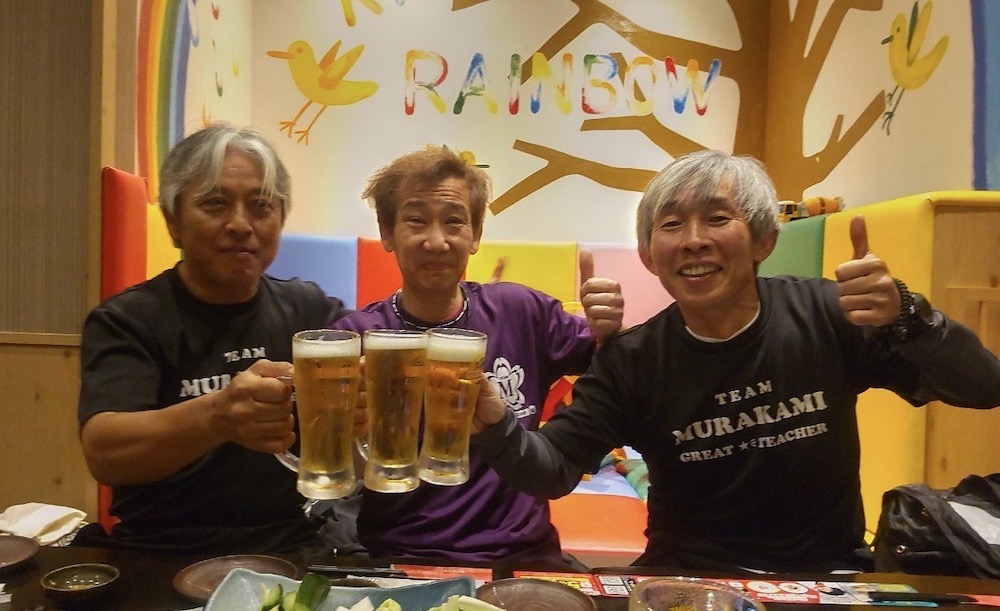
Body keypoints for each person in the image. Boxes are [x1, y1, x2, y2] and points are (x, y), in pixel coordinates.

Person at [470, 149, 1000, 573]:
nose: (694, 241)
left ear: (764, 239)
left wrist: (909, 314)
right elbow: (552, 469)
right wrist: (494, 422)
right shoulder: (633, 360)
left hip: (826, 575)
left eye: (718, 219)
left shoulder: (826, 313)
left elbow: (983, 387)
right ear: (649, 257)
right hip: (686, 581)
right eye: (671, 225)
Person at [328, 146, 624, 566]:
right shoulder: (357, 337)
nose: (437, 241)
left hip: (525, 556)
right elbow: (334, 466)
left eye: (454, 222)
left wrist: (612, 333)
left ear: (475, 235)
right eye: (416, 221)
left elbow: (619, 372)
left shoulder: (522, 311)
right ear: (388, 234)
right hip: (401, 557)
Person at [74, 123, 349, 554]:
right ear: (173, 222)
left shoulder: (309, 310)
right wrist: (218, 415)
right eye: (215, 203)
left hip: (290, 550)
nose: (240, 224)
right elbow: (105, 453)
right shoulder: (128, 319)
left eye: (261, 206)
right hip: (160, 552)